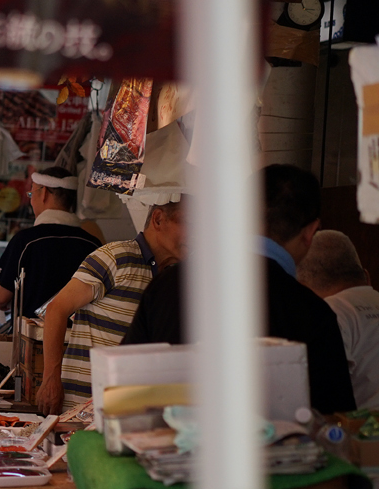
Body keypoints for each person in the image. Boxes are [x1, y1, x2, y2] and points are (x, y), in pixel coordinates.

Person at [123, 167, 356, 414]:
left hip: (164, 448)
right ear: (310, 232)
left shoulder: (166, 285)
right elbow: (336, 424)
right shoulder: (312, 313)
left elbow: (123, 386)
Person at [37, 198, 187, 416]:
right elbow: (57, 309)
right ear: (158, 219)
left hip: (128, 410)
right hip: (81, 406)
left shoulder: (172, 279)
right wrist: (50, 378)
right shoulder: (115, 257)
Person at [0, 168, 102, 316]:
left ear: (43, 194)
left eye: (31, 193)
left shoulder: (26, 241)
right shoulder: (93, 244)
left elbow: (1, 297)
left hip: (31, 336)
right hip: (77, 337)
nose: (31, 200)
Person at [298, 230, 379, 409]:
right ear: (366, 276)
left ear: (304, 287)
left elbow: (326, 391)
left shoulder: (328, 313)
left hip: (362, 432)